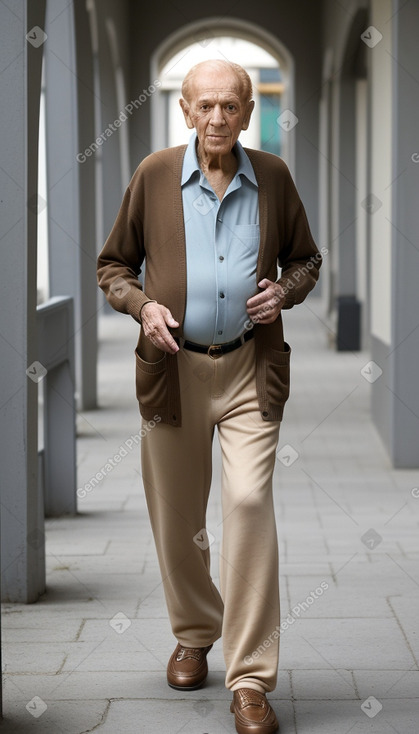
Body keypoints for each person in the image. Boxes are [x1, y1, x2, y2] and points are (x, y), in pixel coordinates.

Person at [97, 59, 321, 734]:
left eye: (231, 106)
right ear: (185, 111)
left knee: (250, 503)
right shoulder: (155, 174)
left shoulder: (273, 178)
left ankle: (250, 678)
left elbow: (306, 260)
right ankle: (194, 632)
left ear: (248, 113)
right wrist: (142, 308)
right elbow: (113, 264)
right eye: (205, 106)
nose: (217, 117)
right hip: (172, 373)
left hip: (251, 370)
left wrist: (282, 292)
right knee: (177, 517)